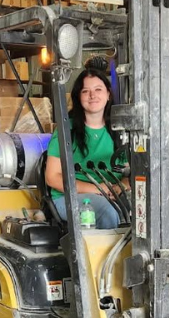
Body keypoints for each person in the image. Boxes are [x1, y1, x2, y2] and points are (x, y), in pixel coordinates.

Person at [45, 64, 123, 229]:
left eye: (98, 89)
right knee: (107, 211)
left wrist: (121, 186)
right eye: (85, 91)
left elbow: (135, 168)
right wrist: (97, 188)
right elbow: (52, 177)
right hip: (70, 196)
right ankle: (109, 255)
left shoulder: (120, 131)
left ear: (108, 94)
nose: (92, 95)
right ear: (78, 97)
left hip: (111, 192)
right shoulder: (67, 130)